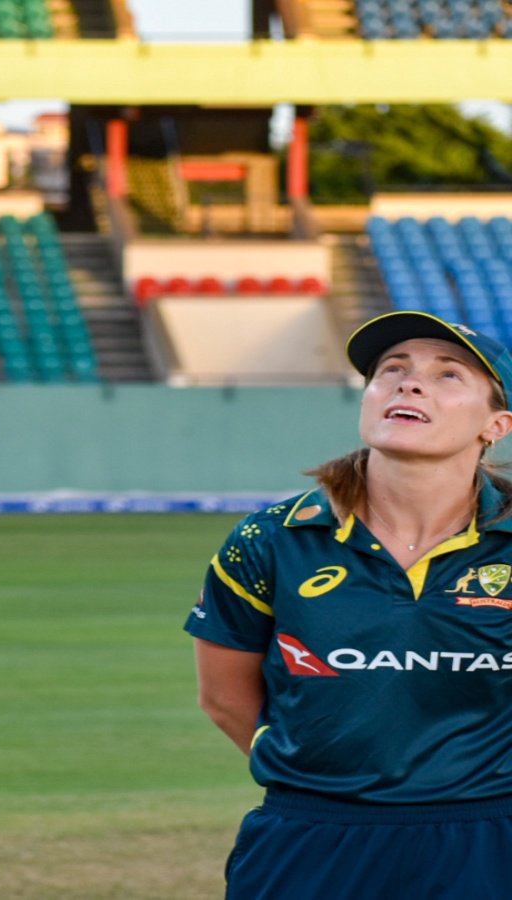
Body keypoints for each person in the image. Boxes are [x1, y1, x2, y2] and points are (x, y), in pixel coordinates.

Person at [186, 310, 512, 898]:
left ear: (497, 424)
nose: (409, 384)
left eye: (448, 375)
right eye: (391, 370)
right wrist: (313, 771)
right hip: (309, 837)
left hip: (490, 840)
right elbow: (223, 697)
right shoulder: (272, 539)